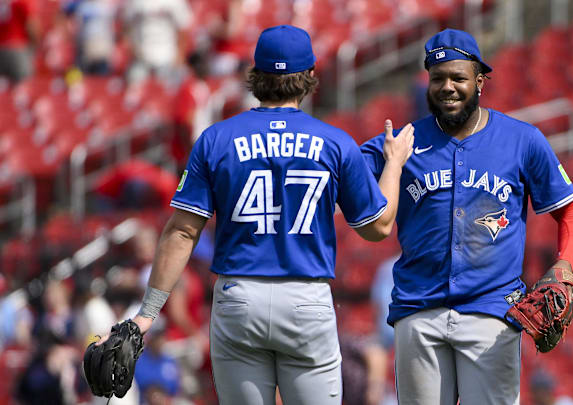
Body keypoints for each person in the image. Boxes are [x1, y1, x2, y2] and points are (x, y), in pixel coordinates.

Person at [96, 24, 414, 405]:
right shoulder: (335, 142)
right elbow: (378, 227)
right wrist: (393, 164)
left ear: (256, 75)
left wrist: (145, 316)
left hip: (238, 297)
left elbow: (182, 232)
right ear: (310, 77)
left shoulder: (216, 138)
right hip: (305, 297)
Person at [360, 29, 573, 405]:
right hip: (419, 310)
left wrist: (564, 264)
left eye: (458, 78)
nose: (447, 87)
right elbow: (338, 170)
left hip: (492, 311)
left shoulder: (522, 140)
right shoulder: (403, 141)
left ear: (480, 81)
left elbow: (572, 212)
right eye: (438, 78)